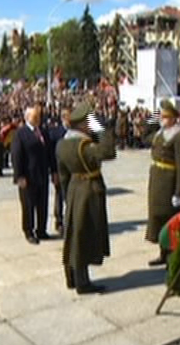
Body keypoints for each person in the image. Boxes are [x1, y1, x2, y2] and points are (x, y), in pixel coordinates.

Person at [56, 102, 116, 294]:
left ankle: (73, 277)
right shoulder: (84, 145)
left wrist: (67, 195)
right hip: (88, 192)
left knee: (74, 234)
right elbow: (109, 152)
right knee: (84, 237)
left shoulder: (62, 144)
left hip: (74, 190)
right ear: (83, 124)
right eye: (90, 121)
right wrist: (102, 129)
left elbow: (63, 175)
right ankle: (83, 282)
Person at [146, 99, 180, 266]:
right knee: (157, 219)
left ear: (173, 118)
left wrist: (179, 192)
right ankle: (163, 253)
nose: (161, 119)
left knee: (170, 221)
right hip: (157, 181)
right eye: (161, 116)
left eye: (164, 116)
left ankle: (173, 257)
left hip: (169, 183)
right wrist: (153, 115)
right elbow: (145, 134)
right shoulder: (160, 133)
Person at [11, 105, 55, 244]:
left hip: (42, 175)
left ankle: (41, 230)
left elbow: (50, 154)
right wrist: (19, 176)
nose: (38, 119)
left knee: (42, 204)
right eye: (35, 117)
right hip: (28, 177)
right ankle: (29, 231)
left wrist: (54, 171)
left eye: (39, 116)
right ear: (27, 118)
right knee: (28, 206)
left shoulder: (43, 132)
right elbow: (16, 156)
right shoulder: (21, 133)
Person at [49, 107, 71, 235]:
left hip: (73, 171)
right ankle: (59, 221)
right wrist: (53, 172)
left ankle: (70, 221)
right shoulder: (56, 133)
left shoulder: (75, 132)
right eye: (68, 117)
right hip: (60, 171)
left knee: (71, 197)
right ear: (63, 118)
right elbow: (52, 154)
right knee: (59, 196)